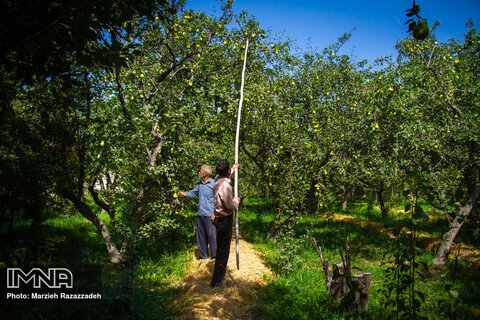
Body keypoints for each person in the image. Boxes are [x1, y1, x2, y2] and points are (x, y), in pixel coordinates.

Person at [210, 159, 240, 288]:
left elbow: (224, 175)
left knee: (221, 249)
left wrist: (233, 169)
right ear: (226, 171)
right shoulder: (226, 186)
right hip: (224, 220)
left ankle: (217, 279)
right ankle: (217, 282)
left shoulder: (217, 180)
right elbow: (228, 206)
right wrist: (236, 201)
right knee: (223, 252)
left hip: (218, 219)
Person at [179, 165, 216, 260]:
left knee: (212, 236)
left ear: (205, 173)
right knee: (201, 237)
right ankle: (203, 256)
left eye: (200, 171)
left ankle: (215, 256)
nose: (199, 173)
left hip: (210, 215)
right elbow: (191, 193)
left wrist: (215, 214)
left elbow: (218, 199)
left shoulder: (214, 184)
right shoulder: (199, 185)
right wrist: (180, 192)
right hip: (200, 215)